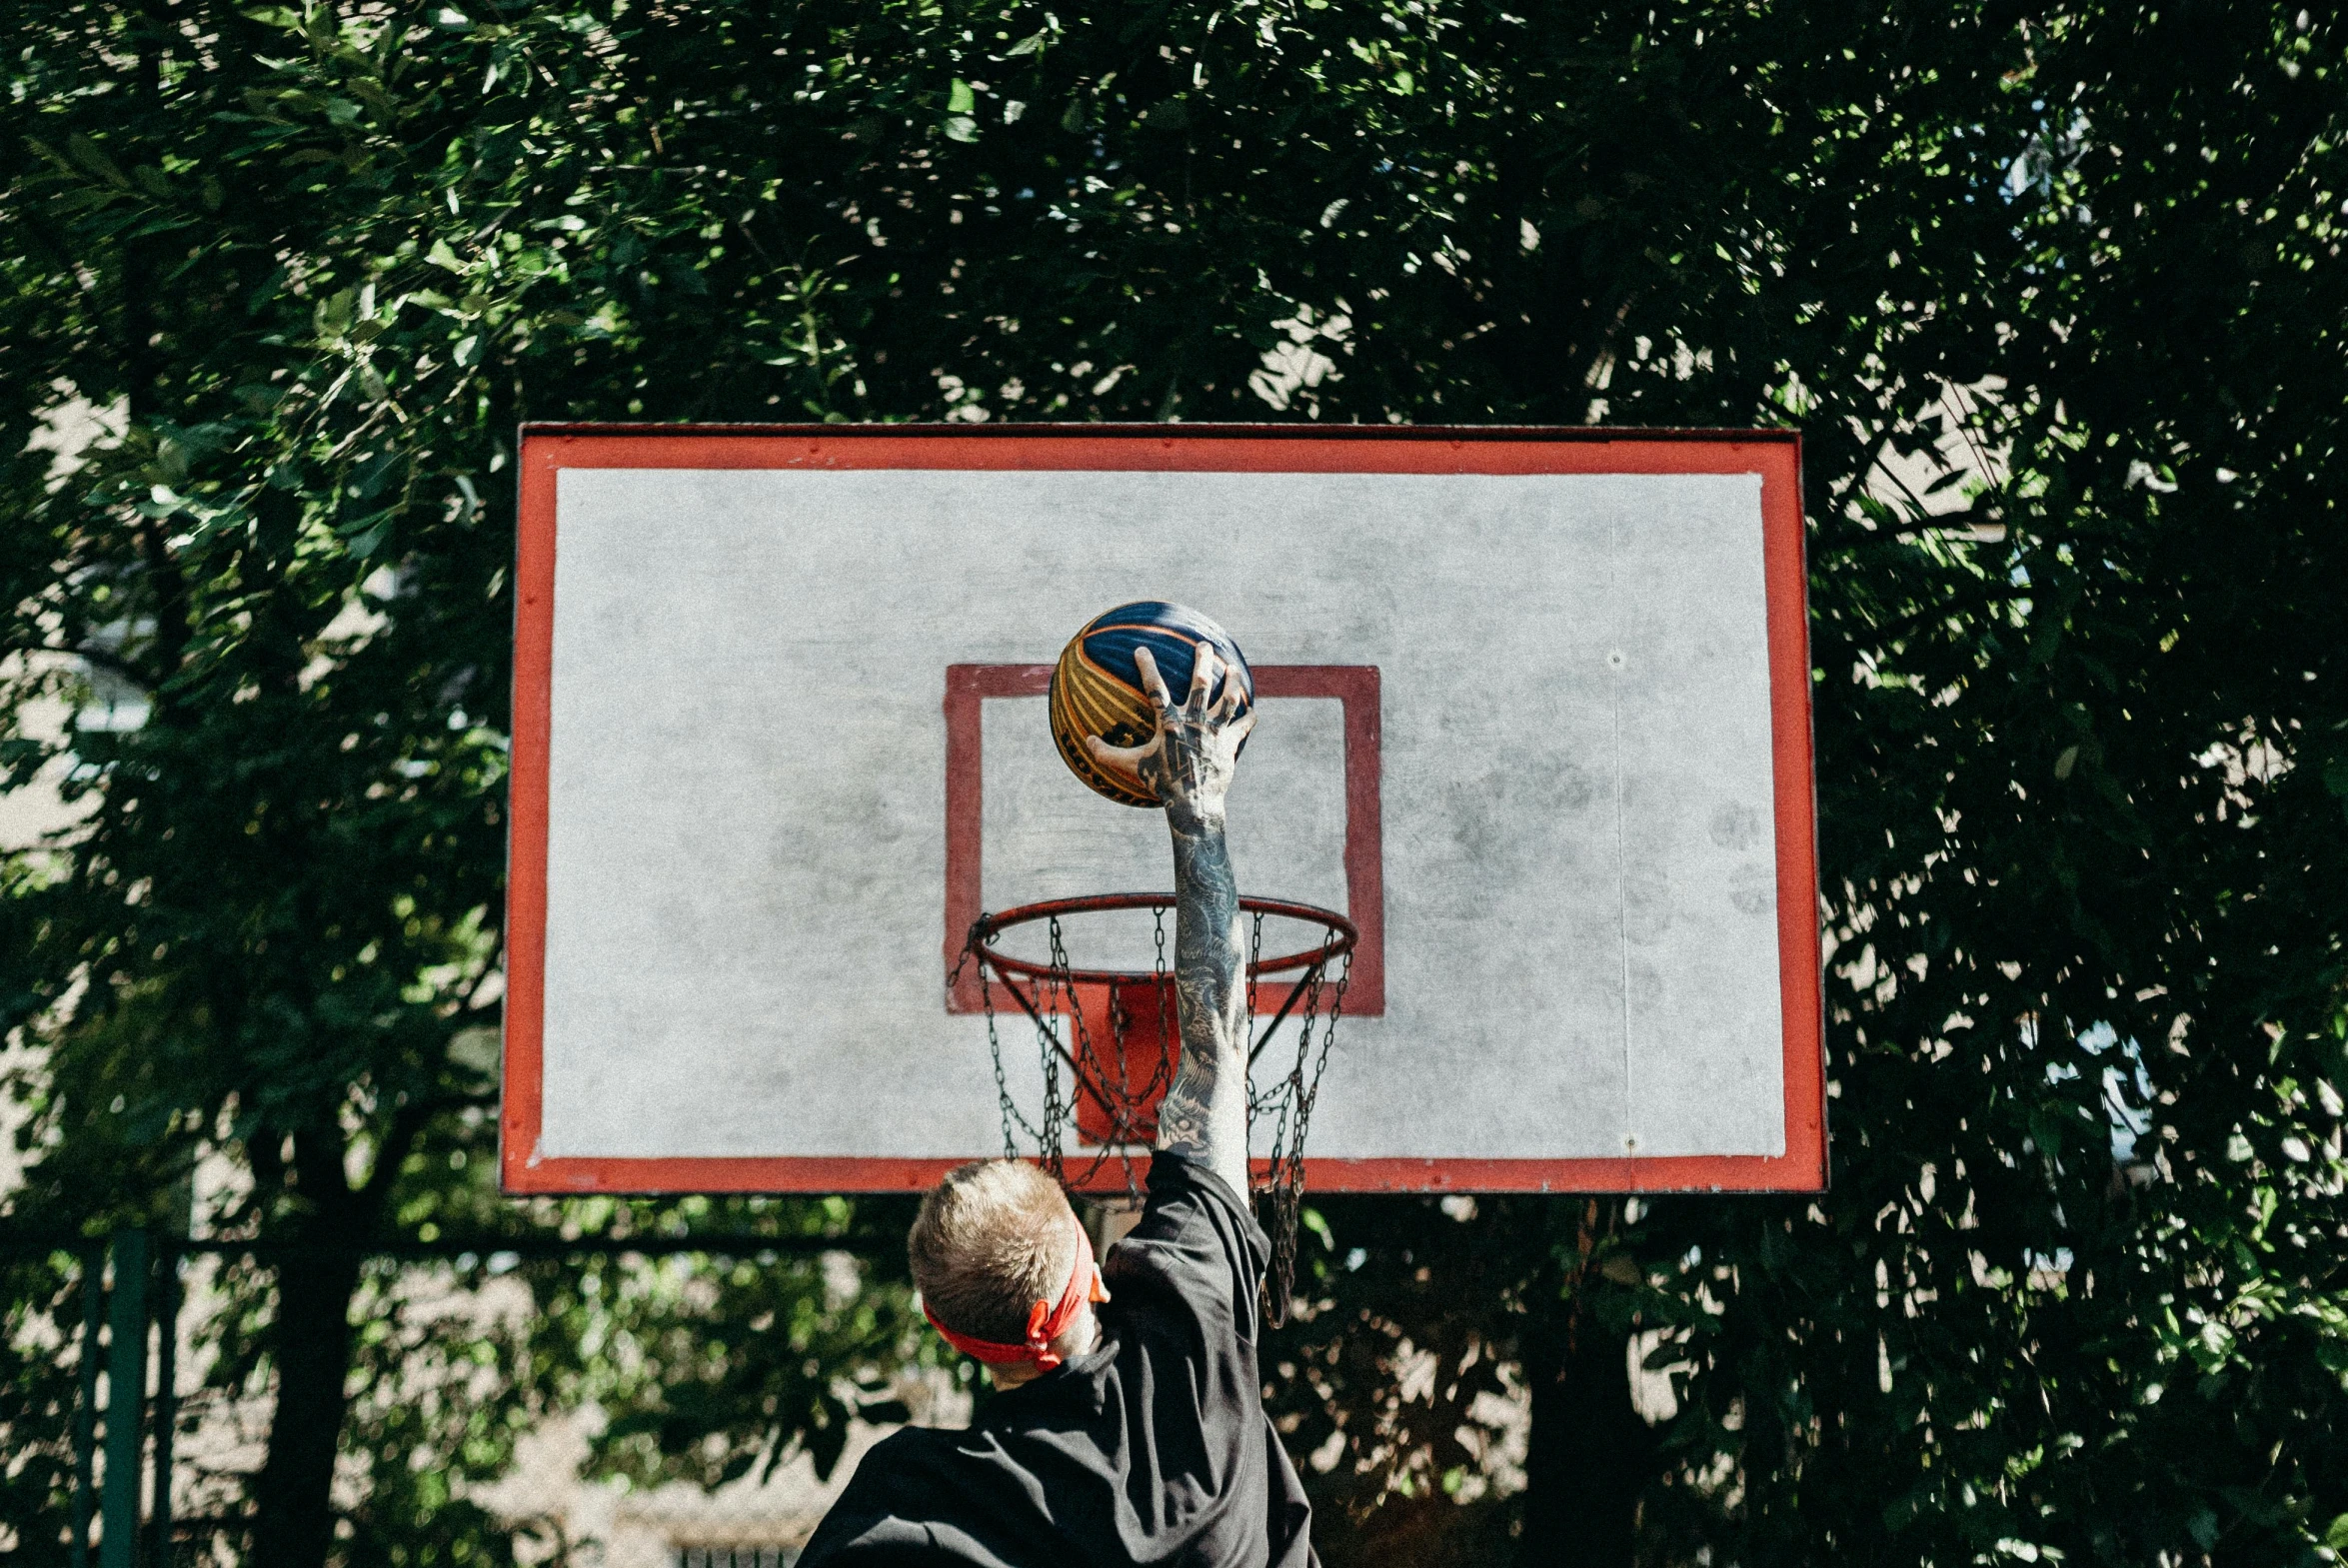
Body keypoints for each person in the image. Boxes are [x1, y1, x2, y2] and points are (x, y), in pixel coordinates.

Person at [799, 646, 1314, 1567]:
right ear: (1094, 1264)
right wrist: (1195, 806)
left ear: (947, 1331)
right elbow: (1217, 1044)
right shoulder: (1189, 1351)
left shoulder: (919, 1503)